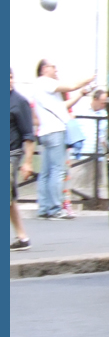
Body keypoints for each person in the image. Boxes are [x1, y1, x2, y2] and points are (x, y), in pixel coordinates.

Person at [33, 59, 93, 220]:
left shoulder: (40, 86)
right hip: (55, 131)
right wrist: (87, 80)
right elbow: (71, 86)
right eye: (54, 67)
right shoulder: (45, 82)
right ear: (45, 69)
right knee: (57, 171)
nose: (56, 71)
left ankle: (44, 207)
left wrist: (81, 94)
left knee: (46, 172)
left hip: (45, 132)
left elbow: (63, 106)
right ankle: (55, 208)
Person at [10, 69, 36, 250]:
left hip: (12, 153)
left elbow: (29, 135)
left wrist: (27, 162)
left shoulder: (19, 102)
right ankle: (23, 237)